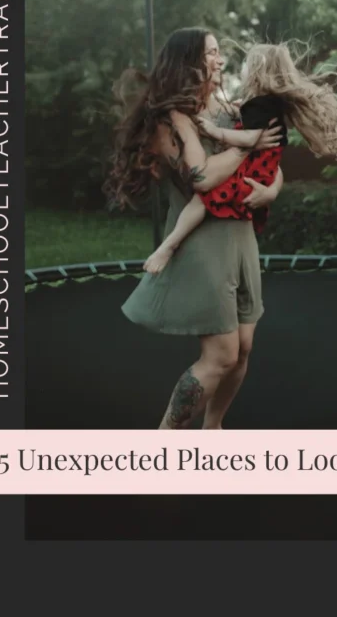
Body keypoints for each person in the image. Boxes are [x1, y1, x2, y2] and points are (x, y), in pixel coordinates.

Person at [104, 27, 284, 430]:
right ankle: (166, 438)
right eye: (212, 53)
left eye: (220, 52)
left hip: (241, 237)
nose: (220, 60)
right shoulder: (171, 120)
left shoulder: (231, 108)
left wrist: (271, 191)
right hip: (203, 241)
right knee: (220, 355)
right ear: (189, 62)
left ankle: (213, 429)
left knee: (243, 350)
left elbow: (274, 160)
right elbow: (201, 178)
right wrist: (244, 146)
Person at [144, 41, 337, 274]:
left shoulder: (260, 106)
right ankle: (170, 246)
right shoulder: (261, 104)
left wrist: (217, 132)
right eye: (212, 53)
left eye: (246, 63)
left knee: (202, 201)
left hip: (253, 171)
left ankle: (169, 246)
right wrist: (237, 112)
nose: (233, 65)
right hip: (261, 170)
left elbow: (250, 140)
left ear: (256, 70)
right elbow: (250, 126)